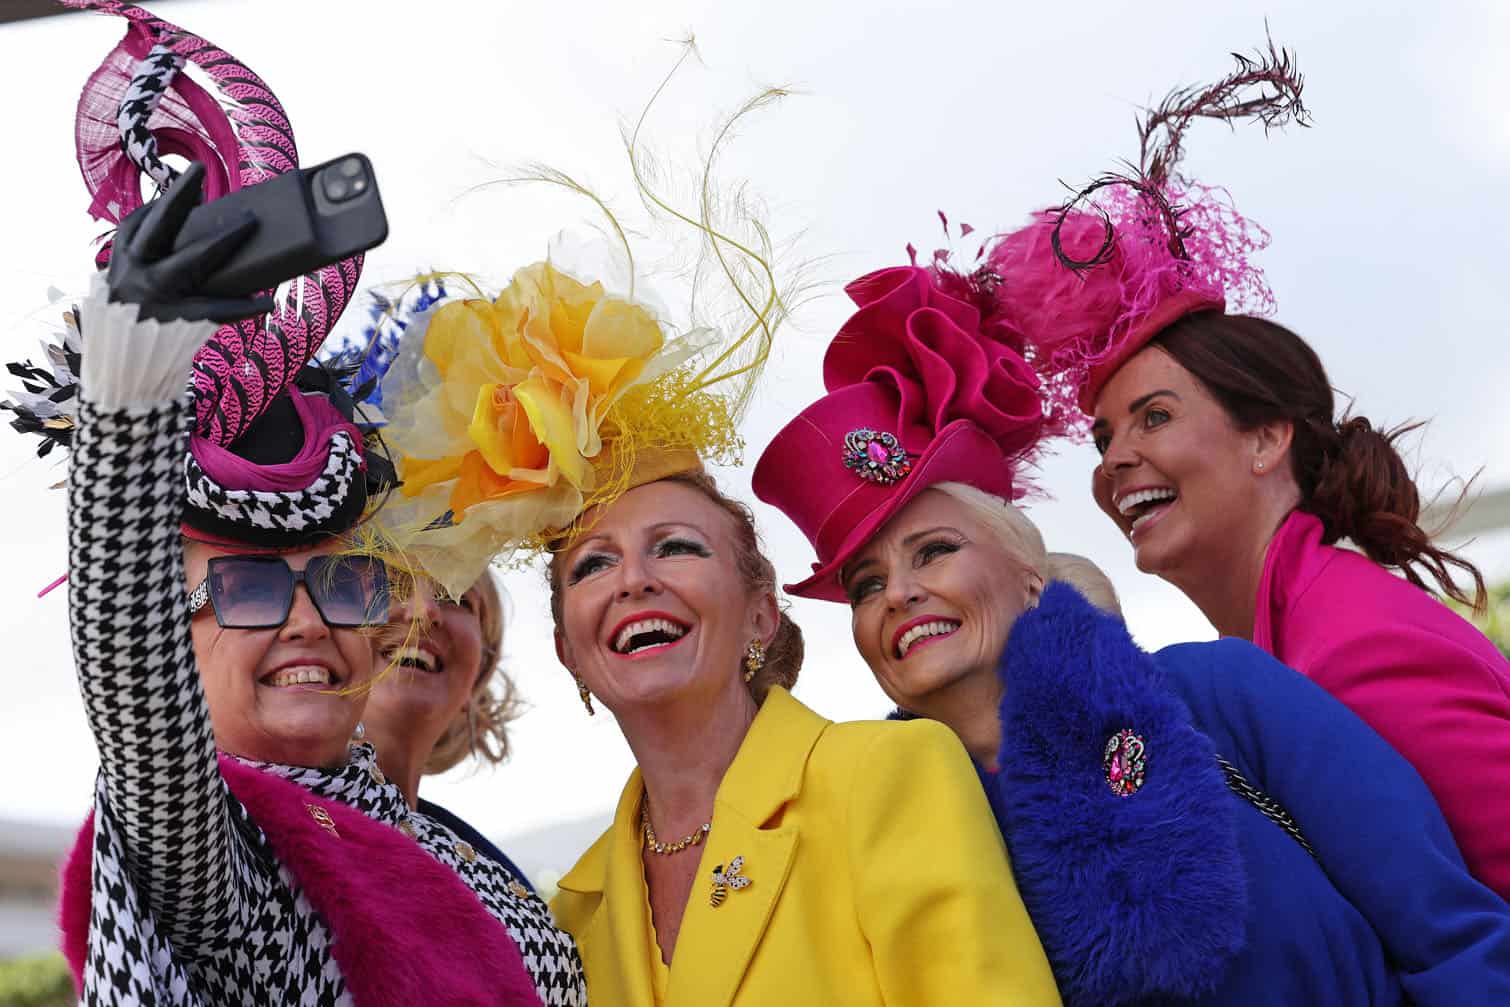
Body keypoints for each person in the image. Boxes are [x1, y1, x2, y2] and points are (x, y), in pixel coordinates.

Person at [364, 89, 1060, 1003]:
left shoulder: (889, 778)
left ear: (760, 611)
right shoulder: (566, 916)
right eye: (593, 564)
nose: (633, 580)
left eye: (676, 548)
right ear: (568, 649)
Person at [753, 252, 1510, 1004]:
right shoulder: (882, 835)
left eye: (935, 551)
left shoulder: (1218, 691)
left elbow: (1457, 941)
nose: (899, 593)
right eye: (866, 586)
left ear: (1030, 576)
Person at [19, 5, 585, 1004]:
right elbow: (132, 685)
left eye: (342, 582)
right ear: (169, 629)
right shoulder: (212, 849)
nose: (310, 620)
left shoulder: (468, 861)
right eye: (245, 588)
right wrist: (134, 369)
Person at [980, 38, 1510, 897]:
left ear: (1267, 439)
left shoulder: (1354, 643)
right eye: (1104, 436)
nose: (1116, 460)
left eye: (1154, 417)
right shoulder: (1287, 637)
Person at [363, 570, 537, 887]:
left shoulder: (502, 887)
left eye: (455, 597)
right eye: (390, 584)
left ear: (479, 672)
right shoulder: (263, 832)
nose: (425, 610)